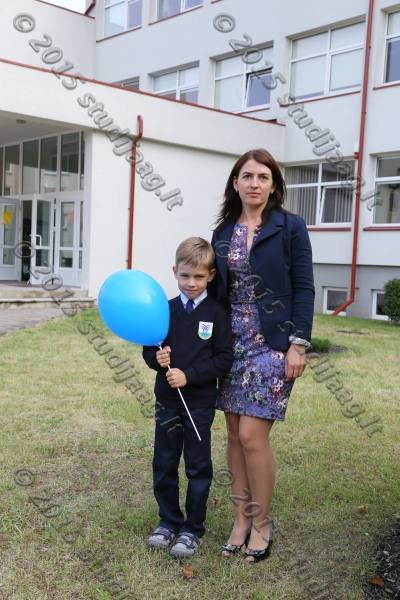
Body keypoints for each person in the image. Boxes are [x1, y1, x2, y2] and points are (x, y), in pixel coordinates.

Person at [209, 148, 315, 563]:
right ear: (235, 183)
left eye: (263, 177)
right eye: (247, 176)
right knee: (234, 434)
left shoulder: (290, 227)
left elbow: (304, 287)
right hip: (230, 344)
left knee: (253, 436)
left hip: (272, 344)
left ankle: (262, 524)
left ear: (274, 186)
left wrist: (298, 344)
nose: (254, 183)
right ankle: (240, 521)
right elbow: (215, 292)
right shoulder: (222, 232)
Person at [142, 237, 233, 559]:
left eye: (198, 276)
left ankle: (192, 529)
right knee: (164, 463)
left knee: (197, 467)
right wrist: (157, 359)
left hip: (199, 404)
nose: (191, 283)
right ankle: (168, 521)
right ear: (174, 272)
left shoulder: (217, 313)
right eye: (184, 276)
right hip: (167, 402)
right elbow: (149, 350)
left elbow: (223, 359)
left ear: (210, 275)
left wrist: (189, 375)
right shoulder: (163, 311)